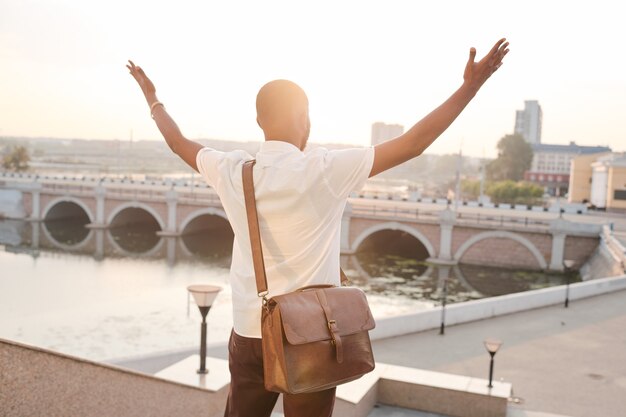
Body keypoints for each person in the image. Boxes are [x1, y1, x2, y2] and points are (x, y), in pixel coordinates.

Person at [127, 38, 509, 417]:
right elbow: (413, 144)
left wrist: (152, 97)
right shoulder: (324, 170)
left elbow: (177, 142)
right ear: (304, 119)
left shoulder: (232, 169)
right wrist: (470, 87)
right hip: (310, 335)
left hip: (248, 332)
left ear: (259, 121)